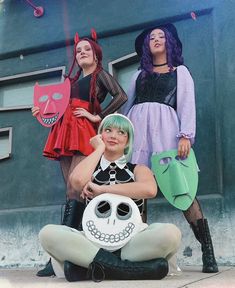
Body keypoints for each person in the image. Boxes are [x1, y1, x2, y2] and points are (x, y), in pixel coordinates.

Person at [121, 23, 218, 273]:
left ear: (170, 42)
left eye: (161, 36)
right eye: (151, 37)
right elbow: (127, 107)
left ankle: (207, 251)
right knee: (138, 192)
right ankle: (140, 254)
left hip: (167, 134)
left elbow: (186, 103)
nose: (155, 39)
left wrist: (186, 135)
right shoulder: (138, 75)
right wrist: (122, 135)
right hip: (139, 134)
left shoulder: (180, 72)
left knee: (183, 191)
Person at [39, 113, 181, 282]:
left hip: (132, 243)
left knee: (171, 233)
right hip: (91, 242)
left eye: (121, 132)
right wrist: (98, 149)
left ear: (128, 141)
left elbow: (150, 190)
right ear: (100, 135)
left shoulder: (138, 169)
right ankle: (129, 270)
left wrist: (102, 190)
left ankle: (91, 269)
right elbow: (76, 181)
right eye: (108, 130)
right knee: (47, 233)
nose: (114, 136)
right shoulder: (91, 168)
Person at [32, 30, 128, 276]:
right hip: (64, 129)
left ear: (96, 55)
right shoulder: (70, 82)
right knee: (71, 191)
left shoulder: (101, 76)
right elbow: (55, 104)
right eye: (78, 51)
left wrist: (98, 116)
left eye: (87, 49)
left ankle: (74, 253)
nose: (82, 52)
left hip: (85, 129)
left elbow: (121, 96)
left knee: (80, 187)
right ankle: (63, 256)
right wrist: (42, 112)